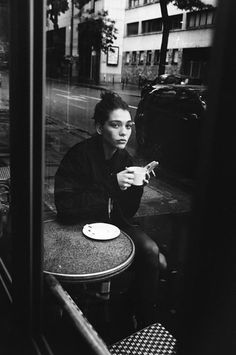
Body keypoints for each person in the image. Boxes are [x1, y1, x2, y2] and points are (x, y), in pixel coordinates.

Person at [54, 91, 166, 327]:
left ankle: (143, 320)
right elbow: (65, 208)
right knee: (151, 260)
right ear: (99, 128)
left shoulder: (124, 159)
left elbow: (127, 213)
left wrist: (137, 186)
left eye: (128, 125)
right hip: (76, 228)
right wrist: (111, 184)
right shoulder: (79, 156)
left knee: (152, 253)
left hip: (112, 226)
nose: (124, 132)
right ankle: (83, 323)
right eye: (115, 125)